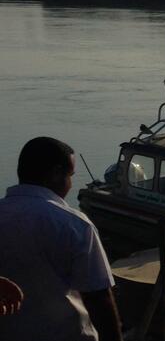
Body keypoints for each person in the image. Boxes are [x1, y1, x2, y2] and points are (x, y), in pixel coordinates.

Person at [0, 137, 122, 341]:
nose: (70, 184)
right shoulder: (74, 224)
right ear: (56, 174)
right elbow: (98, 298)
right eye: (70, 176)